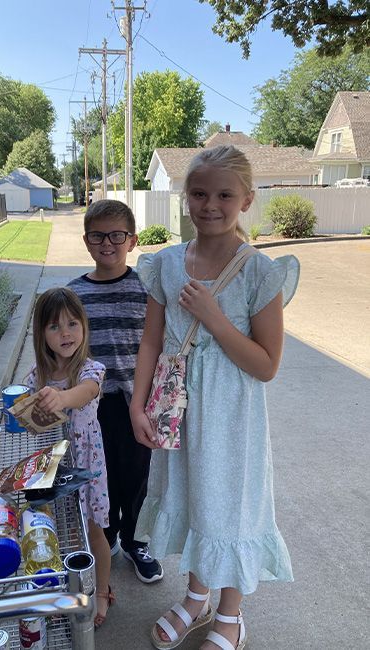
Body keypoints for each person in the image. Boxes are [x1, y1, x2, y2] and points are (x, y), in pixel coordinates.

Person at [129, 145, 300, 650]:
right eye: (199, 193)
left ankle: (230, 613)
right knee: (191, 498)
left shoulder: (260, 274)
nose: (210, 204)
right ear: (185, 198)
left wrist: (215, 318)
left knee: (229, 506)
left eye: (224, 194)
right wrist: (139, 405)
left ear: (246, 199)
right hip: (178, 412)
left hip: (232, 418)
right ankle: (196, 595)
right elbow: (151, 342)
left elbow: (266, 365)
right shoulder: (164, 264)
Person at [68, 199, 163, 584]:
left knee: (136, 475)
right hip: (91, 405)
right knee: (98, 475)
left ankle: (134, 539)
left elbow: (159, 341)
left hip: (137, 401)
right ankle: (104, 536)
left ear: (132, 240)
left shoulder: (148, 289)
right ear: (87, 241)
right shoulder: (73, 293)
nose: (107, 243)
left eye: (116, 235)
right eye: (98, 235)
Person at [26, 287, 113, 628]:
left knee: (94, 531)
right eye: (54, 327)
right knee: (62, 531)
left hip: (86, 466)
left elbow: (85, 393)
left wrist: (60, 398)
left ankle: (103, 589)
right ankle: (68, 587)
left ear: (84, 327)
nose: (65, 333)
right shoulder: (36, 378)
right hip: (53, 466)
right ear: (41, 333)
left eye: (72, 324)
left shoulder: (91, 370)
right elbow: (34, 425)